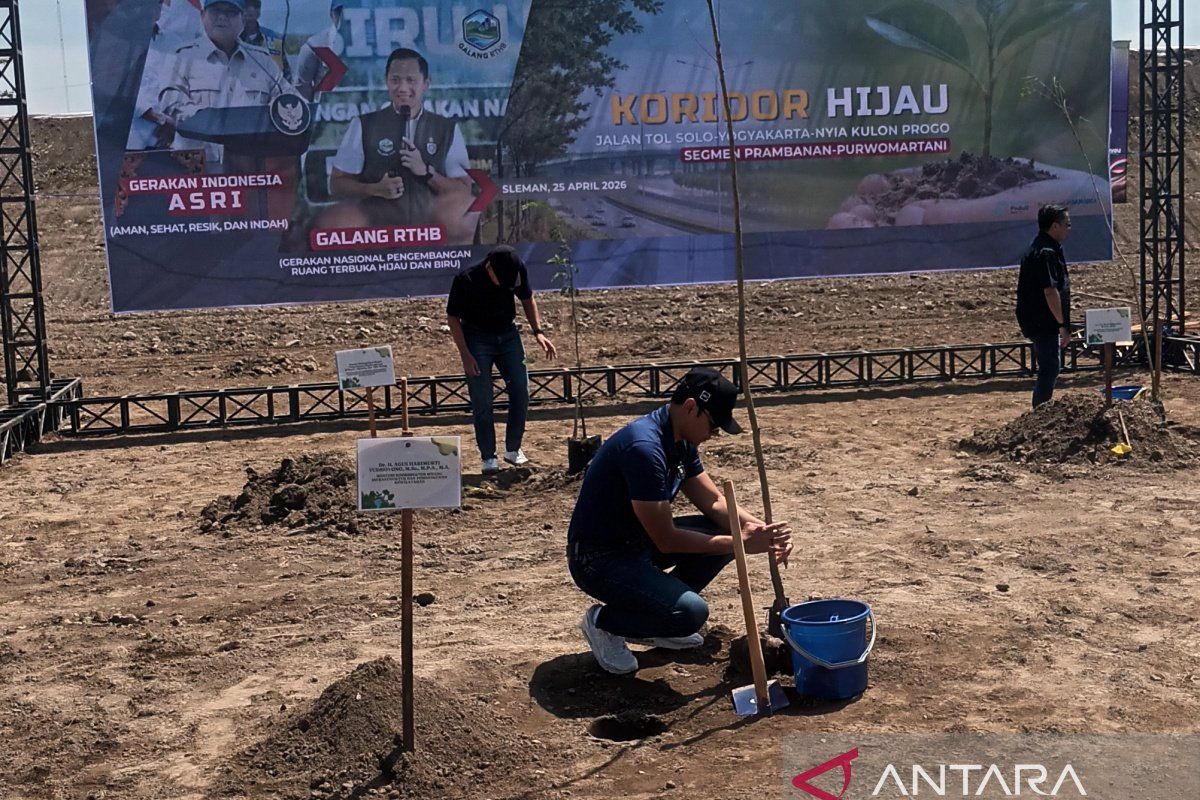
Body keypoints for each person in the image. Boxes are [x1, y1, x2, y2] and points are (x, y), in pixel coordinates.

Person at [567, 368, 793, 675]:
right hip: (599, 558)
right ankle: (604, 624)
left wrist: (760, 531)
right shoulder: (644, 449)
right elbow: (667, 540)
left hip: (637, 543)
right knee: (691, 613)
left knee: (726, 532)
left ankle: (660, 616)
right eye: (713, 425)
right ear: (690, 407)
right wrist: (742, 544)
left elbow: (714, 502)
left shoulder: (680, 440)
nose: (714, 435)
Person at [325, 47, 476, 241]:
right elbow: (337, 185)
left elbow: (464, 191)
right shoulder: (363, 125)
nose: (402, 88)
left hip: (433, 242)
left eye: (411, 80)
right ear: (386, 82)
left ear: (426, 83)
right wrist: (374, 189)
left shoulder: (446, 129)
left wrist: (427, 173)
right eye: (395, 80)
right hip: (379, 241)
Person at [446, 246, 557, 474]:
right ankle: (488, 457)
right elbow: (453, 317)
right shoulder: (466, 279)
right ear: (489, 267)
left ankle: (513, 449)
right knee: (482, 398)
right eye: (501, 280)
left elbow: (527, 298)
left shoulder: (515, 270)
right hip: (476, 338)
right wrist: (465, 355)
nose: (507, 285)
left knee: (521, 389)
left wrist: (538, 331)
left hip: (509, 335)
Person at [158, 0, 287, 169]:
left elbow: (289, 105)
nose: (222, 17)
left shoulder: (263, 62)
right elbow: (170, 103)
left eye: (230, 12)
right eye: (216, 11)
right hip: (195, 169)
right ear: (203, 16)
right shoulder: (182, 57)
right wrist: (215, 123)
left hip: (249, 168)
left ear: (242, 19)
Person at [1016, 203, 1073, 407]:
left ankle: (1041, 409)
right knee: (1050, 366)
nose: (1069, 227)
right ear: (1054, 226)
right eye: (1067, 223)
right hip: (1042, 320)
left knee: (1050, 365)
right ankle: (1040, 412)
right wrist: (1062, 324)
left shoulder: (1044, 248)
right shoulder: (1046, 252)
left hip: (1039, 318)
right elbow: (1050, 291)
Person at [294, 1, 344, 102]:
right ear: (332, 14)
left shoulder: (376, 43)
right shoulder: (314, 45)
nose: (343, 16)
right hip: (327, 113)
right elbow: (301, 89)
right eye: (339, 12)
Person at [239, 0, 290, 80]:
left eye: (256, 5)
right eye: (247, 5)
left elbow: (287, 75)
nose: (252, 9)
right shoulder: (230, 38)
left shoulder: (275, 39)